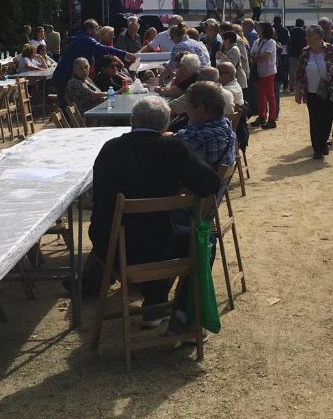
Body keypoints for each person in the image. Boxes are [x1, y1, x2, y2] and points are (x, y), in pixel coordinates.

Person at [89, 96, 221, 330]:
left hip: (111, 245)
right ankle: (181, 313)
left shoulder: (110, 149)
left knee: (156, 228)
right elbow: (210, 184)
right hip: (158, 244)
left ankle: (156, 305)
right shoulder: (172, 147)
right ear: (167, 125)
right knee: (202, 238)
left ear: (132, 120)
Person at [53, 19, 134, 108]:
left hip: (67, 74)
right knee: (67, 106)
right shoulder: (86, 39)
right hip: (64, 76)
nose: (98, 32)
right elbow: (104, 49)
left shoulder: (80, 37)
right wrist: (125, 54)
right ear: (89, 30)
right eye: (96, 29)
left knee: (69, 105)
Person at [295, 25, 333, 160]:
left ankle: (323, 143)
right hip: (311, 92)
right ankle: (317, 148)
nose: (307, 38)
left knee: (328, 119)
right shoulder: (305, 52)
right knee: (315, 120)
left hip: (330, 90)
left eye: (309, 35)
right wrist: (298, 92)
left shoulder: (331, 49)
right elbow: (299, 73)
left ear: (318, 36)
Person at [174, 81, 237, 169]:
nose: (185, 108)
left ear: (200, 108)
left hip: (196, 182)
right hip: (217, 182)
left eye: (188, 105)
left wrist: (168, 139)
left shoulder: (198, 137)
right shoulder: (226, 123)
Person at [250, 21, 278, 129]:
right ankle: (262, 116)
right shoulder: (257, 42)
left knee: (270, 96)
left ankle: (271, 118)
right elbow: (253, 55)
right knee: (261, 95)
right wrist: (256, 58)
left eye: (259, 28)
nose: (257, 30)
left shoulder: (271, 42)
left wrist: (255, 58)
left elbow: (265, 58)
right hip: (259, 72)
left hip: (268, 72)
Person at [287, 18, 307, 92]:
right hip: (302, 53)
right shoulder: (304, 32)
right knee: (301, 70)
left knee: (292, 71)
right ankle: (300, 86)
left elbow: (288, 42)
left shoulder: (291, 31)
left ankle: (291, 86)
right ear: (303, 24)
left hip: (292, 53)